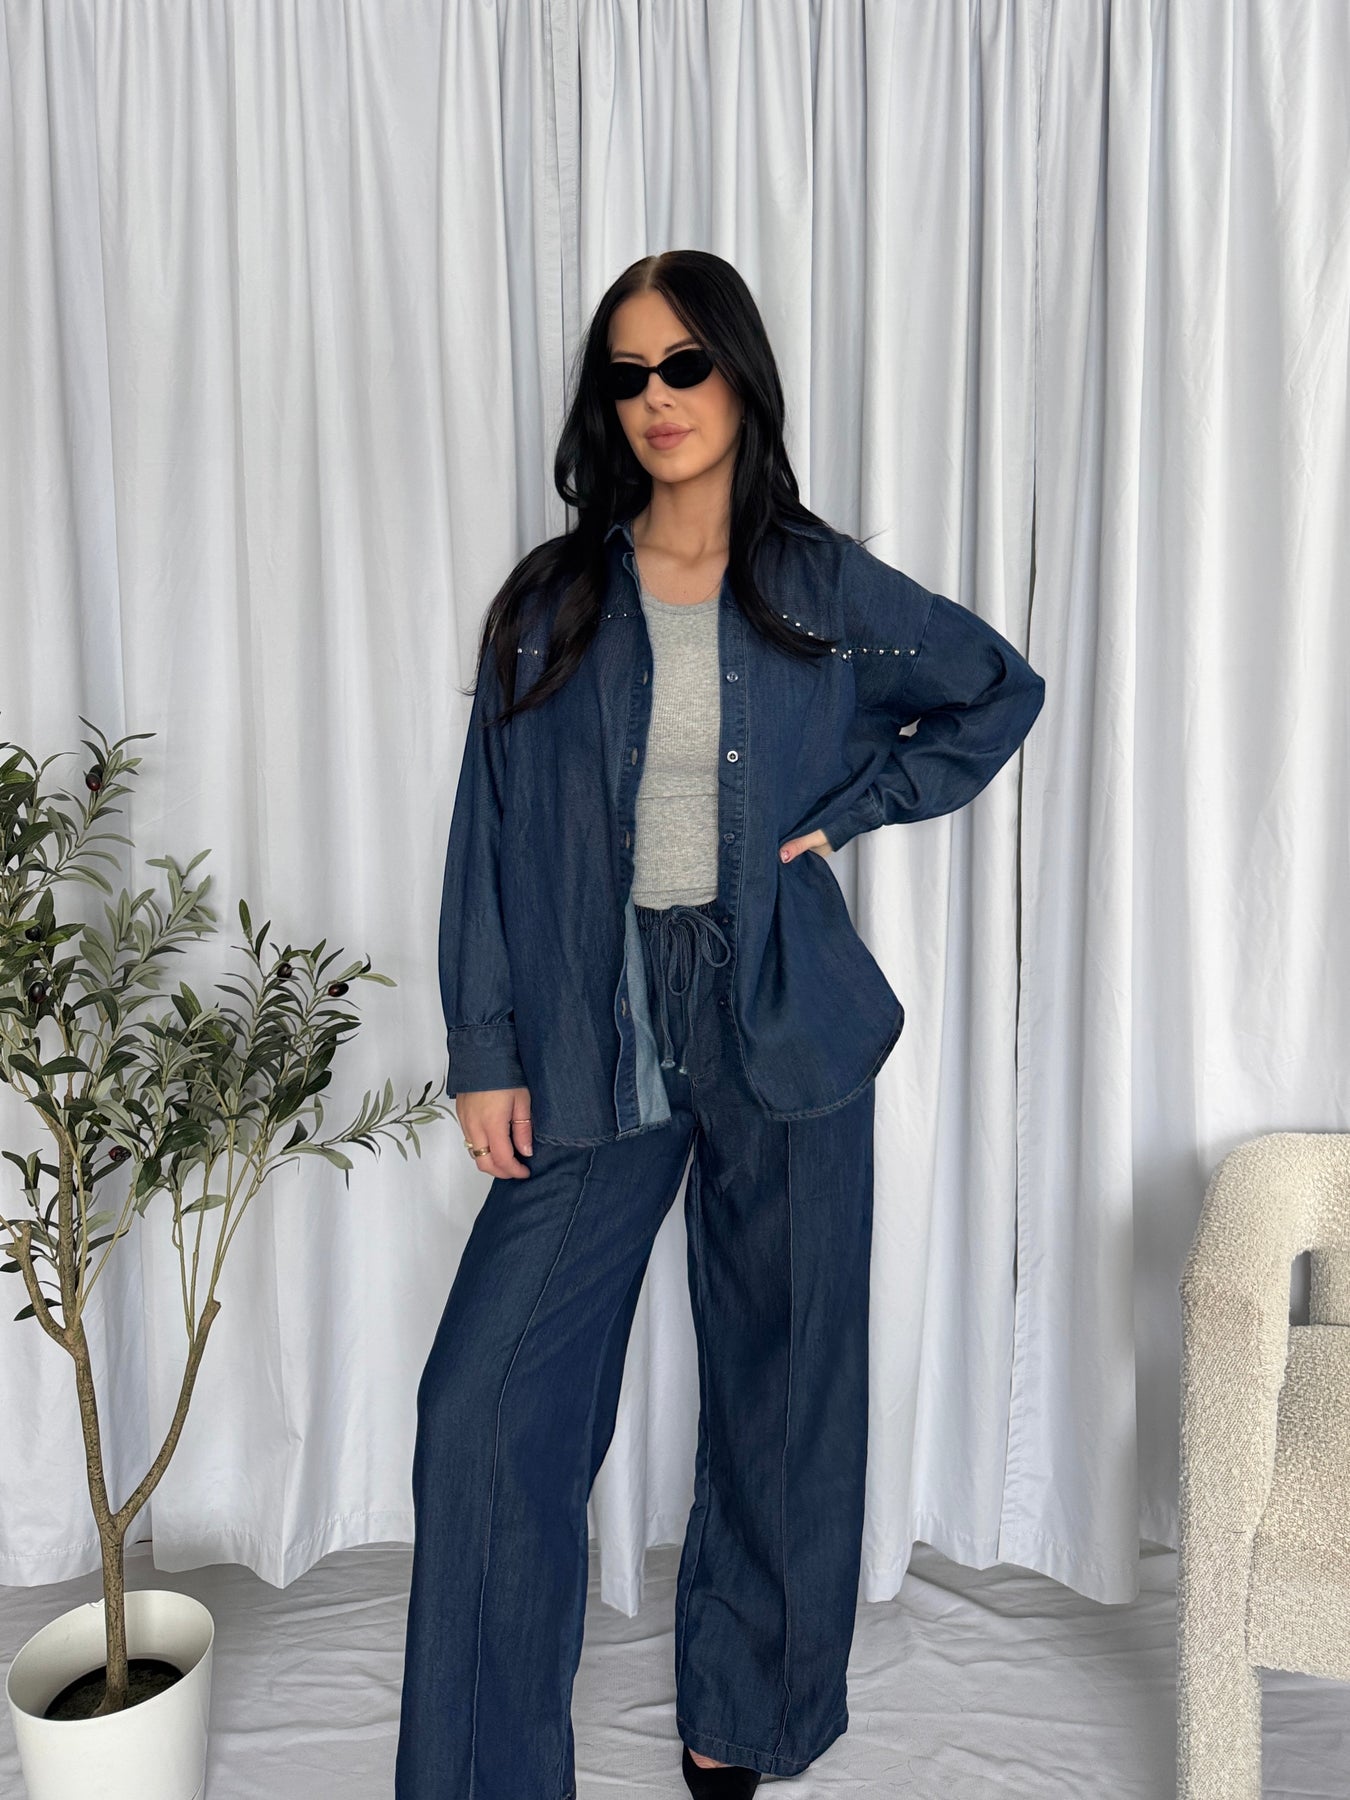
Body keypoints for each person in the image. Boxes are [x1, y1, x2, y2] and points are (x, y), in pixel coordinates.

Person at [395, 249, 1046, 1800]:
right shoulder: (551, 602)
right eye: (627, 375)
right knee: (483, 1410)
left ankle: (738, 1721)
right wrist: (485, 1048)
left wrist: (852, 808)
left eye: (683, 364)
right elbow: (491, 827)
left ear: (740, 377)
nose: (657, 399)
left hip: (781, 1022)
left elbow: (993, 693)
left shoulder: (821, 591)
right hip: (592, 1029)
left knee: (782, 1389)